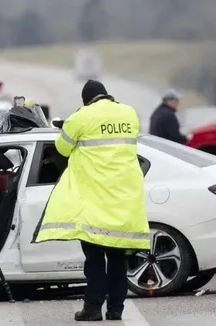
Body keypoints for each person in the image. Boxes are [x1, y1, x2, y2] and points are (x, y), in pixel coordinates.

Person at [32, 79, 151, 321]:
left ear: (86, 99)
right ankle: (116, 310)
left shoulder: (81, 117)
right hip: (124, 199)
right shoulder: (129, 113)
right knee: (118, 260)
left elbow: (61, 148)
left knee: (95, 260)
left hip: (95, 202)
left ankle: (93, 308)